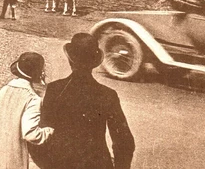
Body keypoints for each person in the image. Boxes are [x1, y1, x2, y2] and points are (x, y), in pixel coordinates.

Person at [39, 33, 135, 169]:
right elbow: (124, 141)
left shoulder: (55, 89)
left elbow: (42, 133)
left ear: (70, 60)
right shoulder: (108, 95)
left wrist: (47, 165)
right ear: (94, 62)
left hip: (61, 163)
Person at [0, 52, 54, 169]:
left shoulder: (4, 90)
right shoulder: (32, 98)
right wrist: (49, 131)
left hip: (1, 160)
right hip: (21, 163)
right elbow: (31, 134)